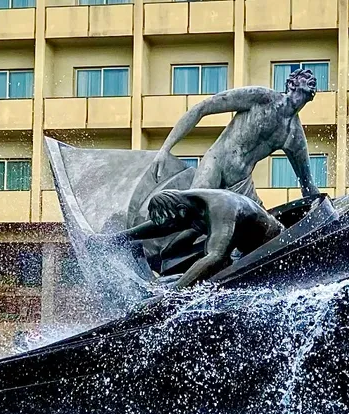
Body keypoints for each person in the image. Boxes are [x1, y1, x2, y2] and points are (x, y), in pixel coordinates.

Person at [148, 69, 322, 205]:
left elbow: (307, 183)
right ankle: (133, 240)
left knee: (265, 231)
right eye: (306, 76)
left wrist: (324, 212)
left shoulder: (294, 135)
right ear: (291, 84)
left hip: (241, 183)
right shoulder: (262, 98)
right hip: (217, 162)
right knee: (192, 212)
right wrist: (165, 149)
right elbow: (202, 108)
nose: (313, 80)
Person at [104, 189, 284, 289]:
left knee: (203, 269)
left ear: (182, 211)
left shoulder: (221, 207)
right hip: (241, 250)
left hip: (271, 250)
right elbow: (157, 227)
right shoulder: (187, 207)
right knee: (166, 270)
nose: (170, 230)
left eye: (173, 225)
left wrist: (172, 296)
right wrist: (116, 239)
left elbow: (215, 256)